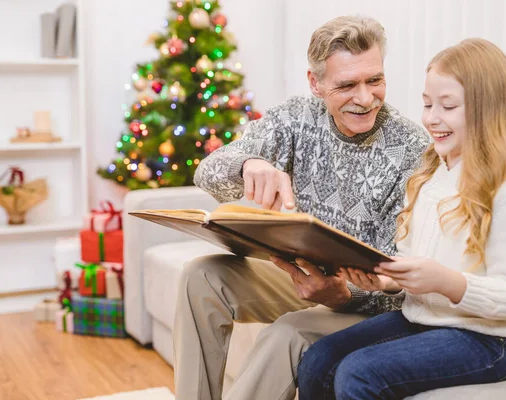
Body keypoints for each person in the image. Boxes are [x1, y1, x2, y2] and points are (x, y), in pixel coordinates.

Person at [173, 16, 430, 400]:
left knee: (286, 332)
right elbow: (207, 173)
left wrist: (342, 295)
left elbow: (398, 285)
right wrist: (248, 165)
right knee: (201, 276)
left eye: (374, 80)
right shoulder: (296, 117)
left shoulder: (410, 148)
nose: (365, 98)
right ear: (316, 84)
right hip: (301, 276)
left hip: (360, 302)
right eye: (347, 85)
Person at [297, 38, 506, 400]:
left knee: (359, 374)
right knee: (319, 358)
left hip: (490, 340)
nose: (431, 118)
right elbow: (412, 263)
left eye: (448, 106)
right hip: (422, 319)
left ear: (487, 111)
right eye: (427, 104)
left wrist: (446, 281)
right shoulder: (429, 177)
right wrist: (388, 280)